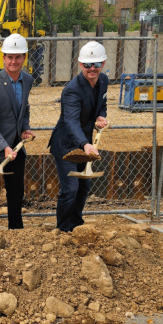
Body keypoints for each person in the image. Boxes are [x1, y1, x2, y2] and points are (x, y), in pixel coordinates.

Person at [48, 41, 109, 232]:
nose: (92, 68)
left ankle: (76, 225)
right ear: (80, 65)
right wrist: (85, 144)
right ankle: (63, 229)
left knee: (84, 187)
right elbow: (71, 122)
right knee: (70, 189)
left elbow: (102, 104)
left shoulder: (104, 81)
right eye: (88, 65)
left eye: (97, 64)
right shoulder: (72, 90)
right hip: (66, 145)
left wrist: (101, 116)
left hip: (84, 144)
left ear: (103, 64)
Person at [0, 34, 35, 233]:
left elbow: (24, 109)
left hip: (15, 146)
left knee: (16, 191)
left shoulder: (27, 80)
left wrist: (25, 127)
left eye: (18, 57)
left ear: (24, 58)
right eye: (10, 57)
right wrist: (4, 147)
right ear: (3, 58)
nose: (13, 61)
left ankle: (16, 231)